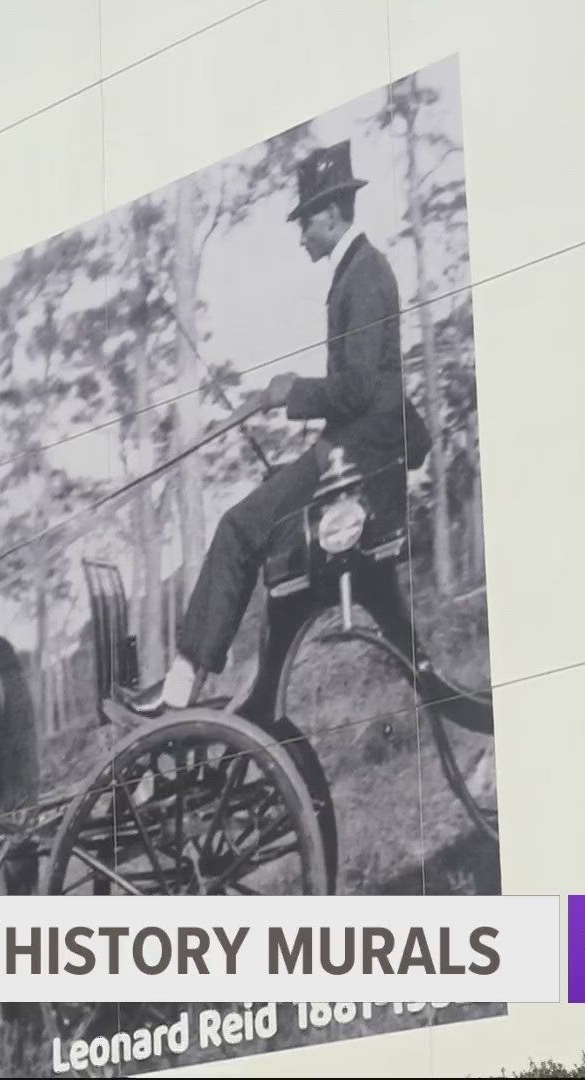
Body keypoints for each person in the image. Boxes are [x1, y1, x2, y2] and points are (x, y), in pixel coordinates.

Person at [129, 140, 431, 716]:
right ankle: (210, 690)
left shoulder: (364, 275)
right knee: (252, 526)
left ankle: (179, 688)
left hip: (358, 464)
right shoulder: (355, 272)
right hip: (348, 453)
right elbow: (360, 388)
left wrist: (291, 391)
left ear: (331, 215)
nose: (301, 237)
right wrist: (292, 399)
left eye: (305, 224)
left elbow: (362, 389)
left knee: (240, 529)